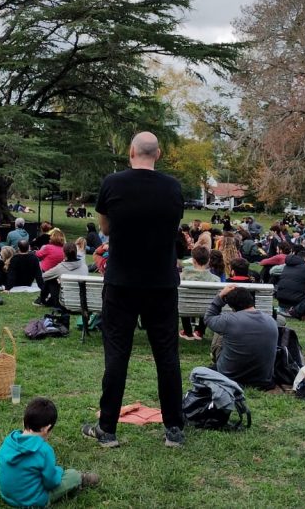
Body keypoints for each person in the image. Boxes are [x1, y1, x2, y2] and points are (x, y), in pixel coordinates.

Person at [82, 131, 185, 449]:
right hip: (161, 283)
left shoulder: (113, 183)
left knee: (117, 355)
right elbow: (173, 227)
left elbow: (105, 228)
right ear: (159, 154)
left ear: (130, 151)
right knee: (167, 356)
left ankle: (107, 429)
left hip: (121, 283)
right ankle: (174, 430)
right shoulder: (173, 188)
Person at [0, 397, 100, 507]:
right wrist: (58, 471)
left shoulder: (9, 440)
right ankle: (81, 479)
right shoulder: (44, 450)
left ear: (24, 421)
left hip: (7, 496)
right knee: (72, 475)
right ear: (47, 428)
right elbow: (52, 483)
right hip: (33, 501)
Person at [203, 285, 278, 388]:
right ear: (250, 299)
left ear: (232, 306)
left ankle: (215, 358)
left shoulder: (228, 320)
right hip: (262, 380)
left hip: (229, 377)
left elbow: (208, 318)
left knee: (220, 330)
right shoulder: (271, 321)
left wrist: (220, 296)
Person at [40, 242, 88, 309]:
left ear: (64, 253)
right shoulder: (84, 266)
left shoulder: (60, 267)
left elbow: (44, 276)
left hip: (64, 305)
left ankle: (42, 301)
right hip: (82, 303)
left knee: (50, 279)